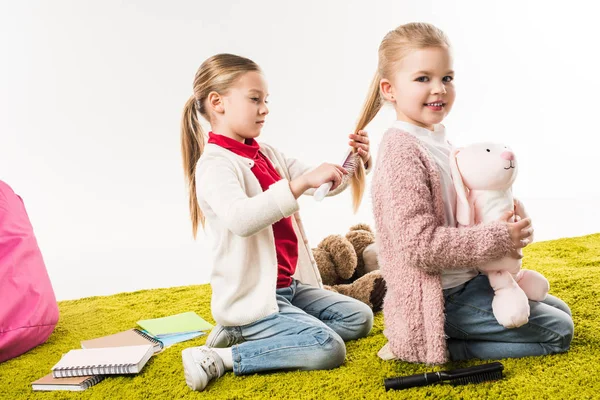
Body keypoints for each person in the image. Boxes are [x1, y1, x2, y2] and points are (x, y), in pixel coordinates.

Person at [357, 22, 573, 364]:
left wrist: (509, 220)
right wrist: (497, 237)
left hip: (467, 279)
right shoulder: (402, 153)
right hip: (440, 298)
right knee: (558, 332)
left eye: (447, 77)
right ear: (390, 89)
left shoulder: (440, 141)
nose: (439, 89)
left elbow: (465, 211)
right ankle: (444, 346)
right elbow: (419, 247)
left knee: (560, 309)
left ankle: (465, 331)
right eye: (423, 78)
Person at [179, 53, 374, 391]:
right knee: (328, 347)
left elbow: (323, 185)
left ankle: (264, 332)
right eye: (254, 99)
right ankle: (223, 355)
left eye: (266, 100)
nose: (264, 108)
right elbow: (242, 218)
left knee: (359, 318)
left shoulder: (266, 153)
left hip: (287, 288)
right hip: (253, 299)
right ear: (217, 102)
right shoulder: (214, 165)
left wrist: (356, 161)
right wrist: (299, 185)